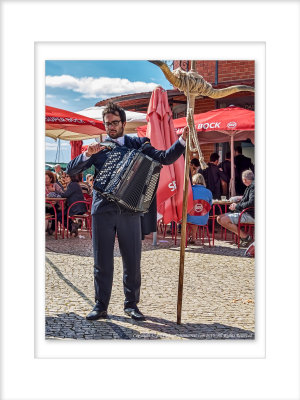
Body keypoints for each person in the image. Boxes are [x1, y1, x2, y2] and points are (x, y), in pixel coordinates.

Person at [66, 102, 188, 321]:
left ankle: (131, 305)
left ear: (123, 123)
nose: (111, 127)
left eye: (114, 123)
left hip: (130, 211)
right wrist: (86, 155)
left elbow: (164, 158)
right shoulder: (98, 148)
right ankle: (100, 305)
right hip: (102, 209)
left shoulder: (139, 144)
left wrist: (182, 141)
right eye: (107, 124)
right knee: (102, 260)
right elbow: (71, 169)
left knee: (132, 260)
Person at [216, 170, 255, 246]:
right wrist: (236, 203)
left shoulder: (253, 187)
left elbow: (252, 202)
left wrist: (237, 206)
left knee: (222, 220)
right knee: (219, 218)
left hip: (250, 214)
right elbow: (248, 200)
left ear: (244, 180)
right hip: (246, 212)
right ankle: (244, 237)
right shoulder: (251, 186)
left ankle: (245, 237)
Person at [187, 173, 212, 244]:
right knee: (195, 215)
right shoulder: (208, 192)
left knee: (191, 215)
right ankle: (193, 237)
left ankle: (191, 236)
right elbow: (209, 205)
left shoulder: (189, 190)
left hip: (189, 217)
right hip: (203, 218)